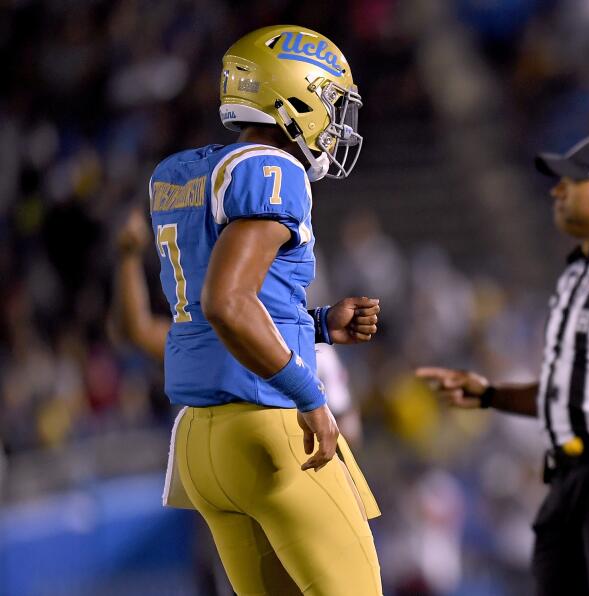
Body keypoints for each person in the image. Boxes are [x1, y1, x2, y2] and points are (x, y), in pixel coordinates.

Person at [146, 25, 383, 595]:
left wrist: (320, 324)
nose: (339, 123)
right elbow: (227, 302)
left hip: (202, 443)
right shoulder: (274, 169)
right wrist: (312, 396)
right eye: (331, 103)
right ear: (296, 96)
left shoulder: (183, 171)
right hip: (269, 427)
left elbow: (223, 302)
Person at [418, 135, 589, 596]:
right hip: (572, 476)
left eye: (572, 181)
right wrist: (490, 394)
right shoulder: (577, 277)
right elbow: (567, 393)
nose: (556, 191)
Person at [113, 209, 368, 445]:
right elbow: (139, 329)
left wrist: (129, 256)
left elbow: (346, 427)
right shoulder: (303, 342)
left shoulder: (306, 343)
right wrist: (129, 256)